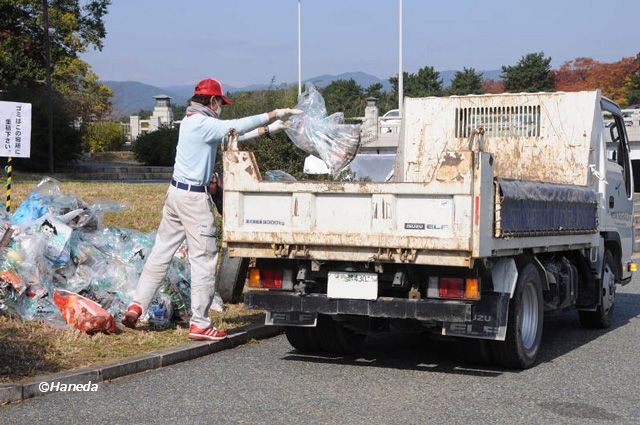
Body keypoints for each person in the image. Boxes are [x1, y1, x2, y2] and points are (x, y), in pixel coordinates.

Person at [122, 78, 302, 341]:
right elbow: (233, 127)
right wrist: (272, 114)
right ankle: (200, 324)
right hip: (194, 200)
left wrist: (269, 129)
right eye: (221, 103)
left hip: (175, 194)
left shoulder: (191, 122)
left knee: (160, 253)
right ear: (214, 101)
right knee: (204, 261)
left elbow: (231, 135)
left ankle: (136, 306)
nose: (222, 108)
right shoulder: (204, 123)